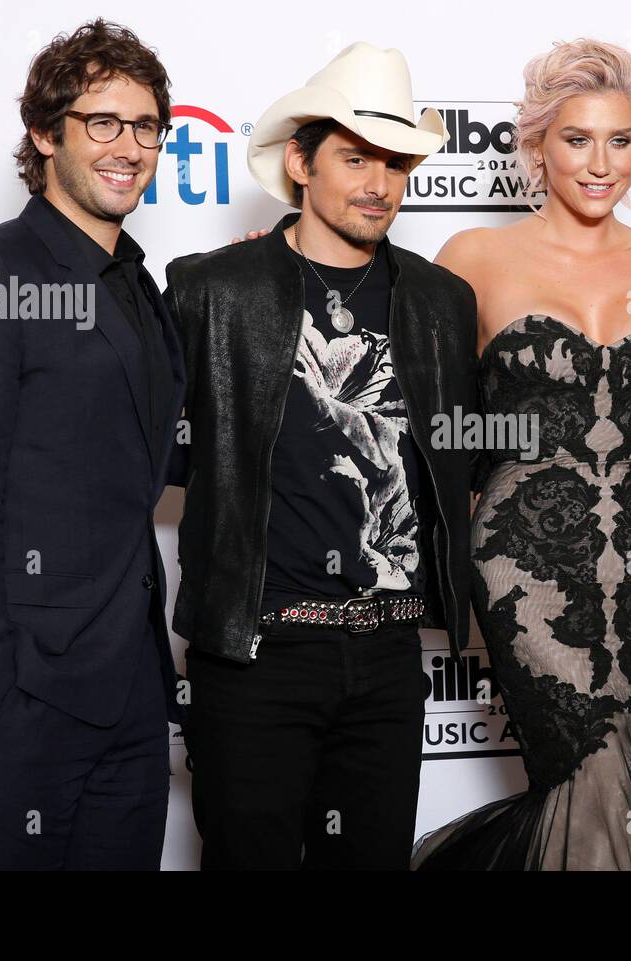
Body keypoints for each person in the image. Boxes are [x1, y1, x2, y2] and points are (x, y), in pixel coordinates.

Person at [410, 39, 631, 870]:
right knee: (587, 773)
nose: (600, 164)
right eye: (577, 140)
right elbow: (435, 425)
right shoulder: (473, 260)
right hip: (528, 567)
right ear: (538, 146)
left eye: (620, 141)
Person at [163, 42, 477, 869]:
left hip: (387, 655)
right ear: (301, 162)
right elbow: (148, 451)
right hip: (255, 654)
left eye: (395, 163)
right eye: (355, 157)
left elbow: (463, 459)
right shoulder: (211, 290)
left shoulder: (443, 302)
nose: (379, 184)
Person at [0, 19, 186, 869]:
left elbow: (160, 461)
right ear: (44, 133)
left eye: (145, 126)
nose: (127, 146)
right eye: (102, 122)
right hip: (17, 697)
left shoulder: (140, 285)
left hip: (131, 694)